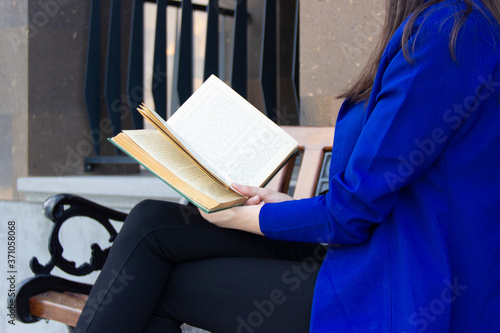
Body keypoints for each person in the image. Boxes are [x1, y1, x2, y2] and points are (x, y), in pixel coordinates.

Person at [75, 0, 500, 331]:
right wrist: (275, 204)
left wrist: (250, 216)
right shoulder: (451, 27)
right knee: (152, 221)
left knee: (153, 285)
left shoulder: (450, 32)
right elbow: (377, 192)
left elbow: (350, 214)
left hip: (394, 284)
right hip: (368, 249)